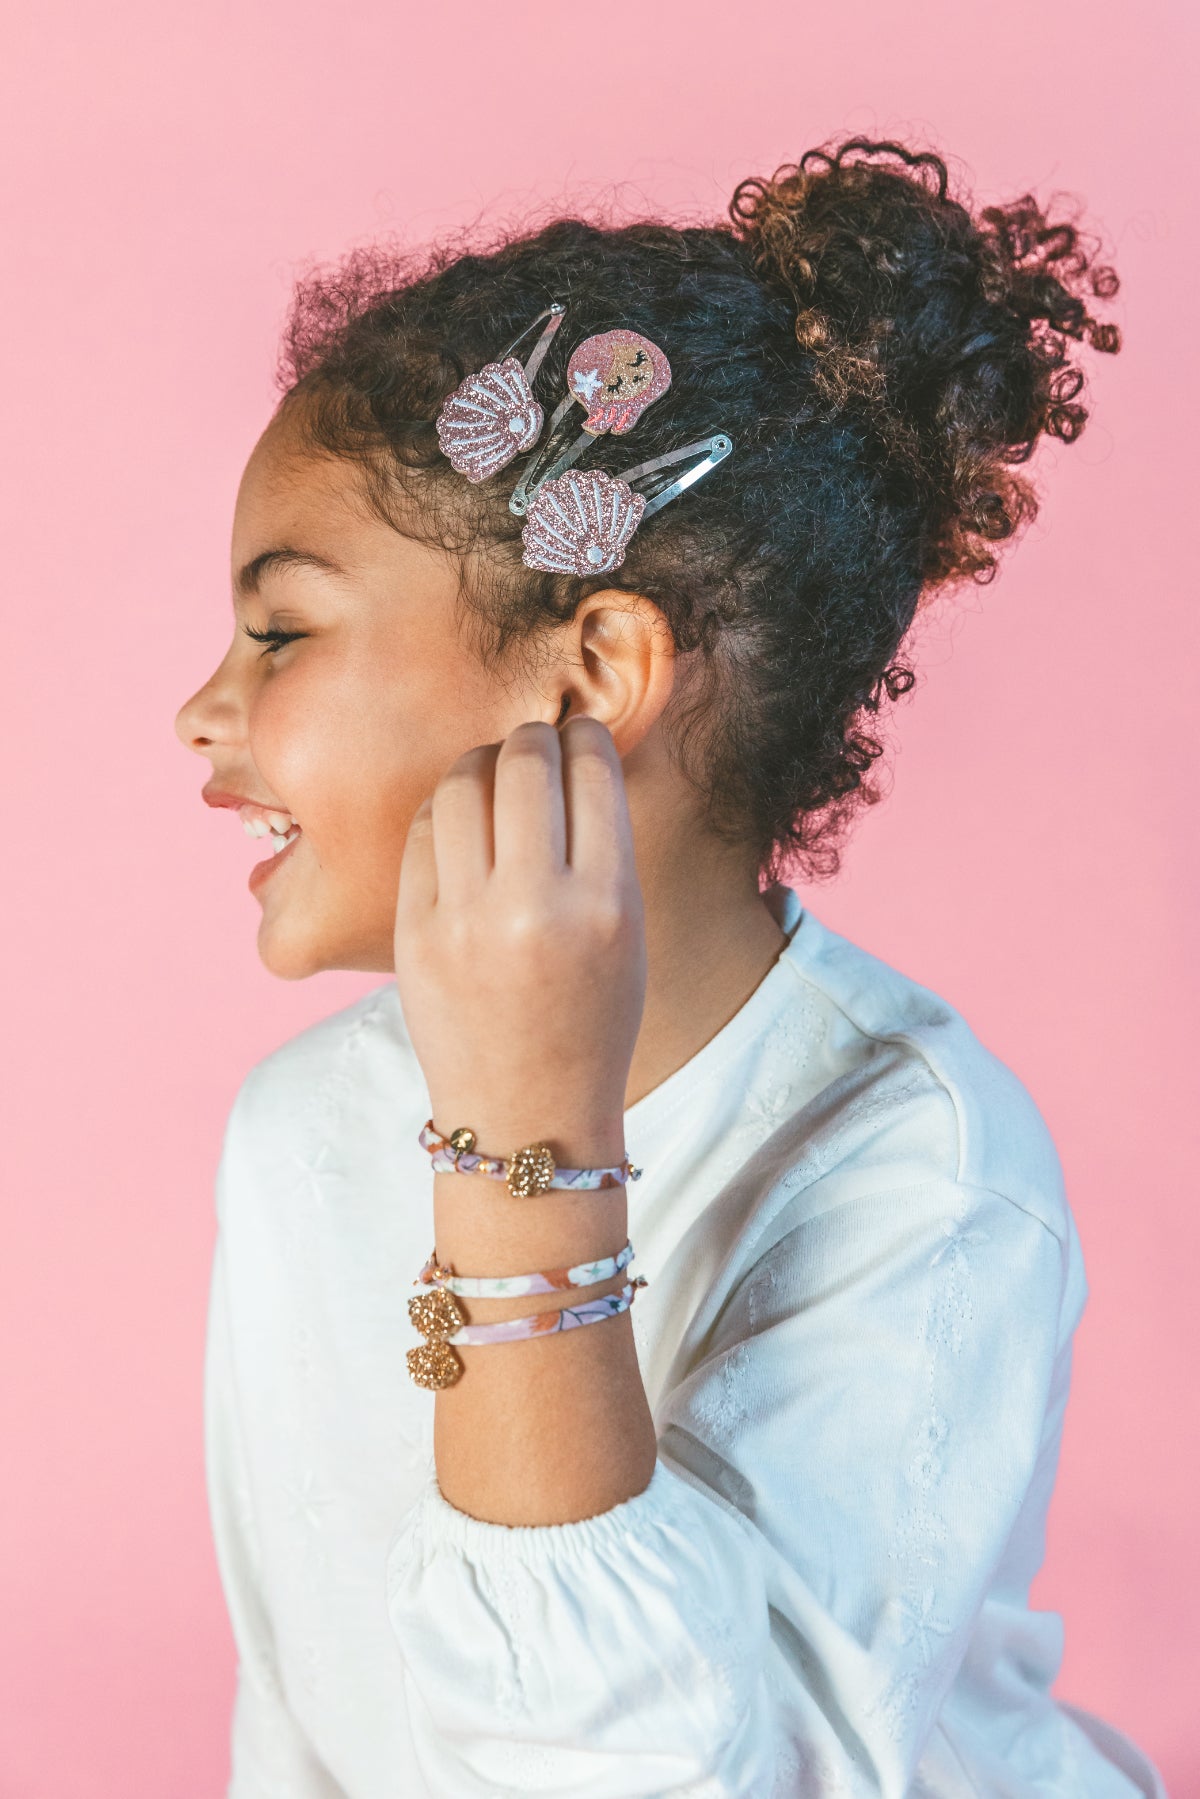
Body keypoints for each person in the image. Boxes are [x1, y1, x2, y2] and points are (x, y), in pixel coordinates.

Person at [175, 136, 1168, 1797]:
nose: (200, 713)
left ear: (588, 679)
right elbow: (305, 1720)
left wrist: (528, 1150)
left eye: (280, 632)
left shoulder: (916, 1169)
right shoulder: (298, 1133)